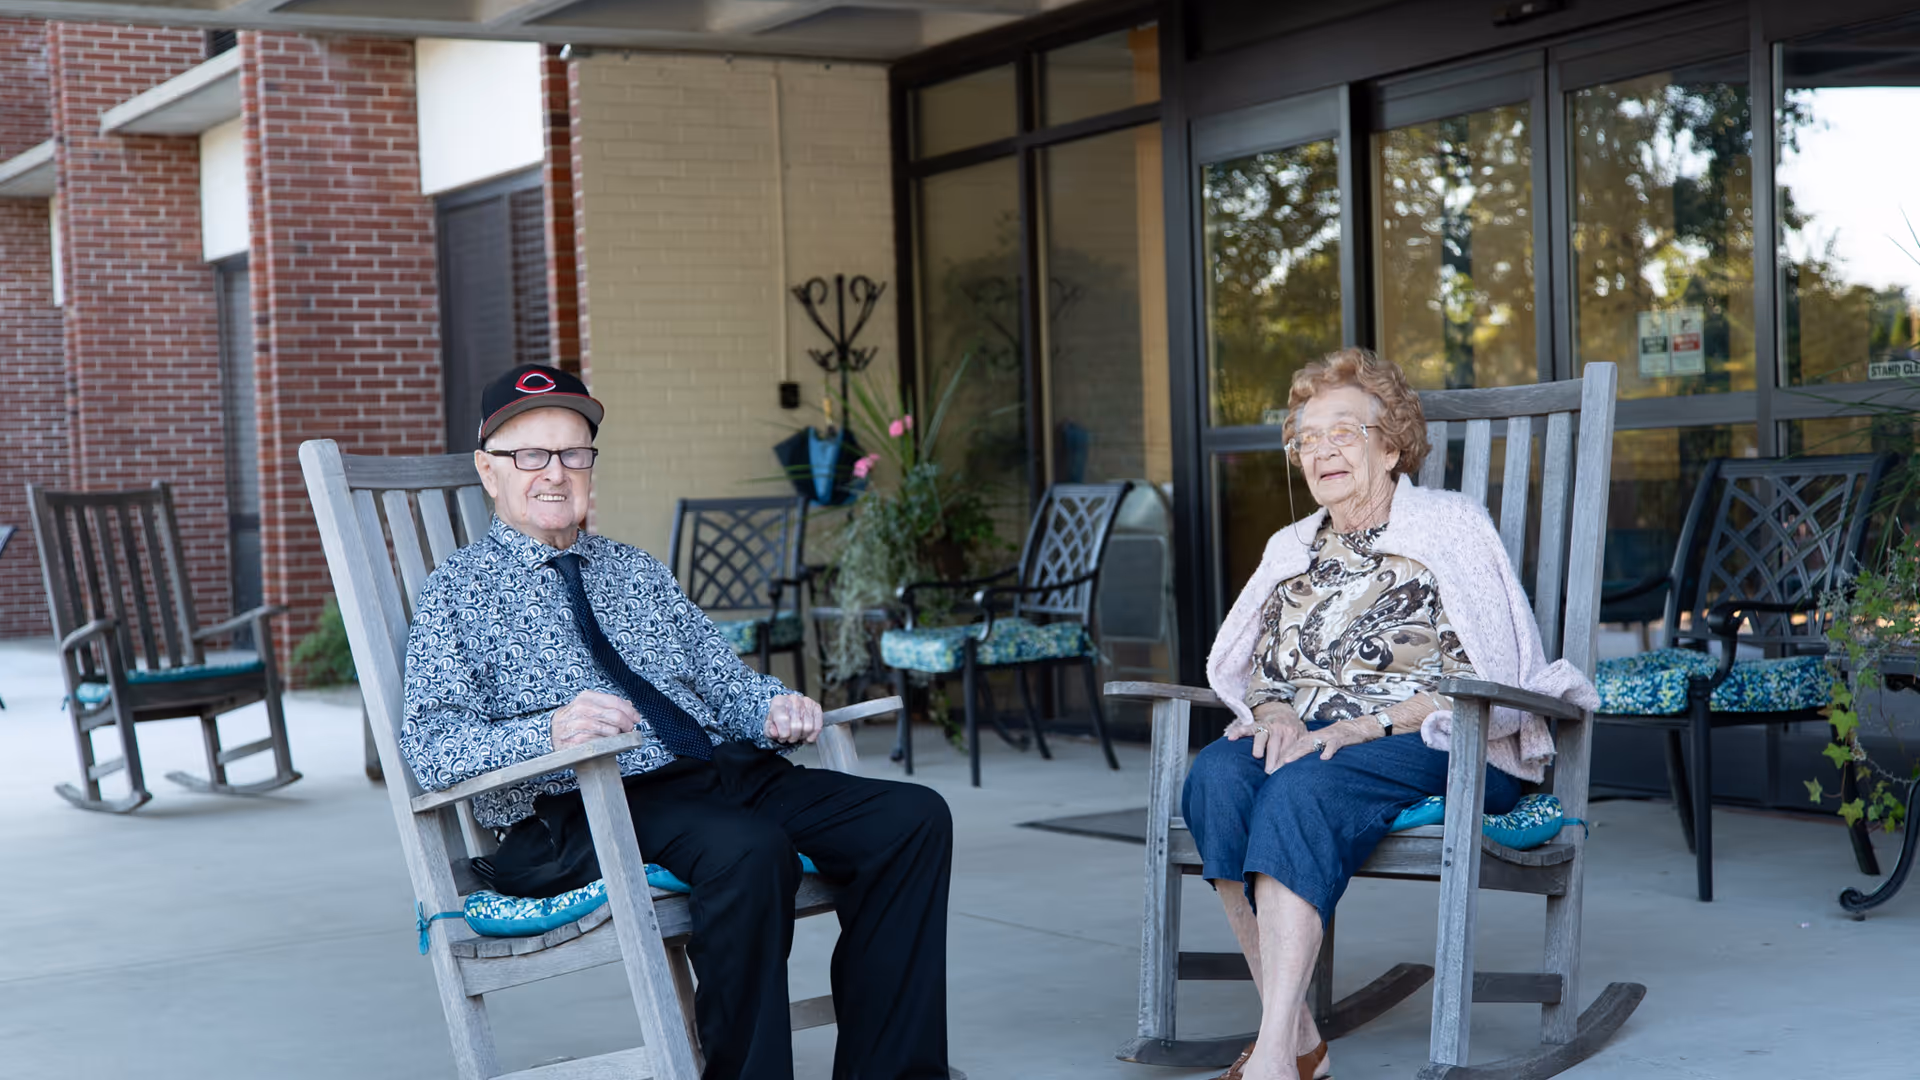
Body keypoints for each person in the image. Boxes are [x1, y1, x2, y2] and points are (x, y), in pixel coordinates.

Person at [401, 363, 953, 1080]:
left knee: (911, 818)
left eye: (574, 453)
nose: (555, 474)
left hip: (720, 772)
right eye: (530, 455)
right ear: (489, 471)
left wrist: (772, 706)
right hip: (590, 801)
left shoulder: (635, 571)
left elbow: (723, 684)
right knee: (749, 851)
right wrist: (551, 732)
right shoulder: (457, 595)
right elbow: (433, 746)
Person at [1184, 348, 1595, 1080]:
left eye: (1344, 431)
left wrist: (1366, 725)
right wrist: (1276, 712)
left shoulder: (1449, 527)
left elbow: (1491, 675)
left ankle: (1273, 1057)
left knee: (1303, 785)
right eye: (1308, 438)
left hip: (1442, 740)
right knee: (1218, 774)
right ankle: (1299, 1034)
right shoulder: (1292, 547)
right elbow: (1262, 669)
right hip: (1322, 743)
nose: (1323, 450)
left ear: (1391, 442)